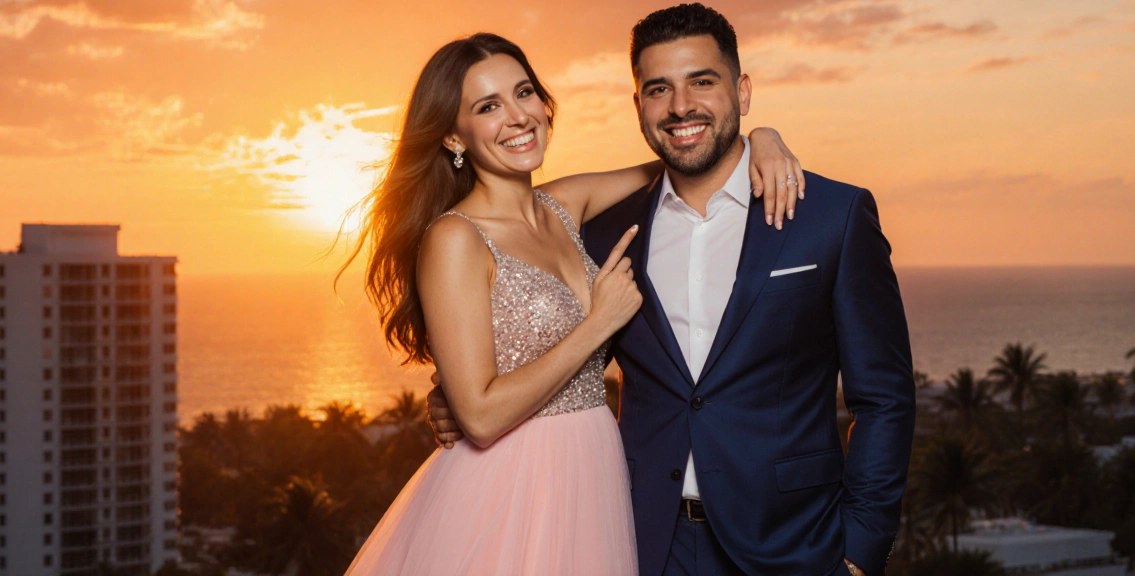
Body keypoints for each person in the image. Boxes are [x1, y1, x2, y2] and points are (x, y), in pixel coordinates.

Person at [429, 4, 916, 576]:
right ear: (638, 106)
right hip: (639, 540)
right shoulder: (605, 230)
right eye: (659, 89)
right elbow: (518, 326)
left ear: (743, 89)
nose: (681, 105)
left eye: (702, 82)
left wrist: (860, 551)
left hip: (793, 544)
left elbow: (884, 398)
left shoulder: (832, 217)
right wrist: (454, 394)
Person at [341, 31, 804, 575]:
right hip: (509, 488)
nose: (518, 116)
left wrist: (764, 137)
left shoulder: (564, 205)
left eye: (524, 93)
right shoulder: (455, 238)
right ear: (452, 136)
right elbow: (481, 416)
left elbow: (683, 154)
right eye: (489, 106)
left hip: (593, 471)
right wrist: (597, 323)